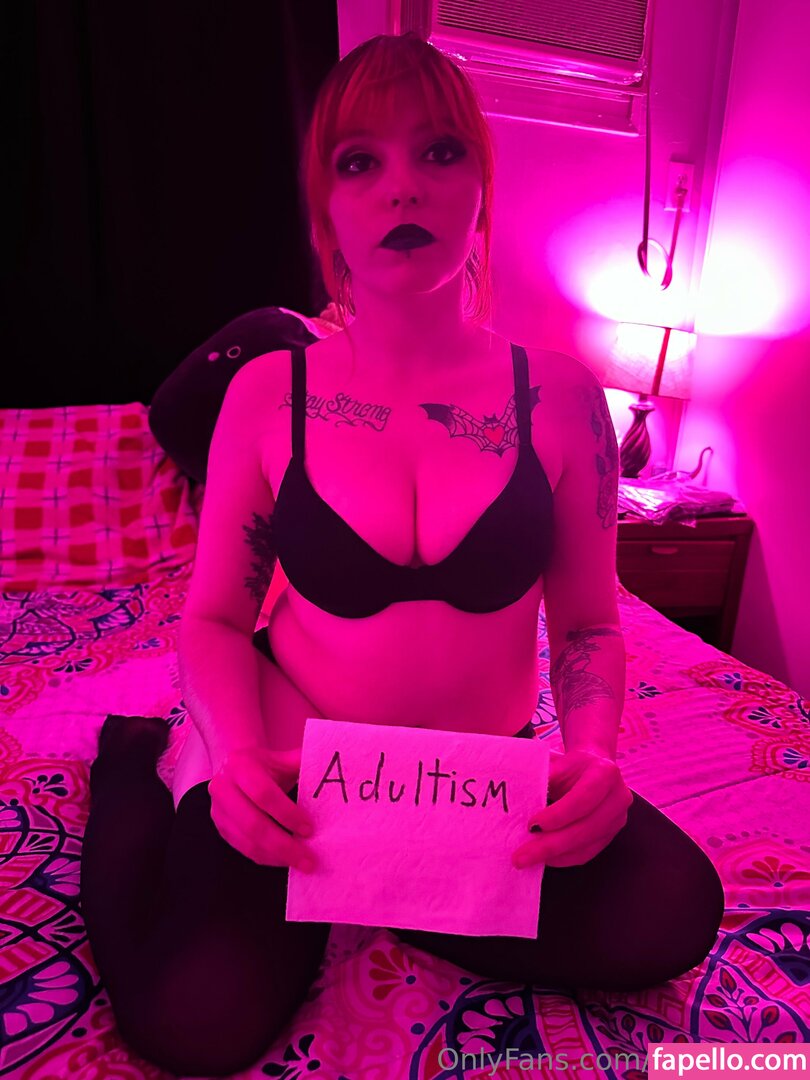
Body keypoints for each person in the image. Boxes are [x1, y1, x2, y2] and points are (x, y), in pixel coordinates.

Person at [79, 31, 725, 1078]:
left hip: (478, 779)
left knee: (673, 909)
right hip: (296, 761)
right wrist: (236, 761)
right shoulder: (269, 395)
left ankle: (385, 884)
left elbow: (590, 625)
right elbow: (214, 618)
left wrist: (596, 755)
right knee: (193, 1022)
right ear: (326, 210)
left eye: (439, 151)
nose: (401, 188)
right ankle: (135, 772)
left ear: (481, 186)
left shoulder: (562, 398)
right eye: (359, 161)